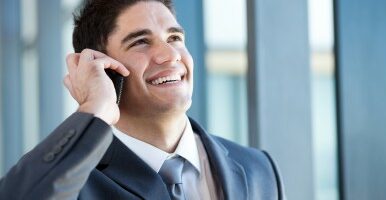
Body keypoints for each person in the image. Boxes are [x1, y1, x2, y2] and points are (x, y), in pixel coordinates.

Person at [0, 0, 285, 199]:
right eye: (141, 42)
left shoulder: (258, 168)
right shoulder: (73, 179)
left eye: (174, 38)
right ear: (104, 68)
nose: (170, 55)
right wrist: (93, 110)